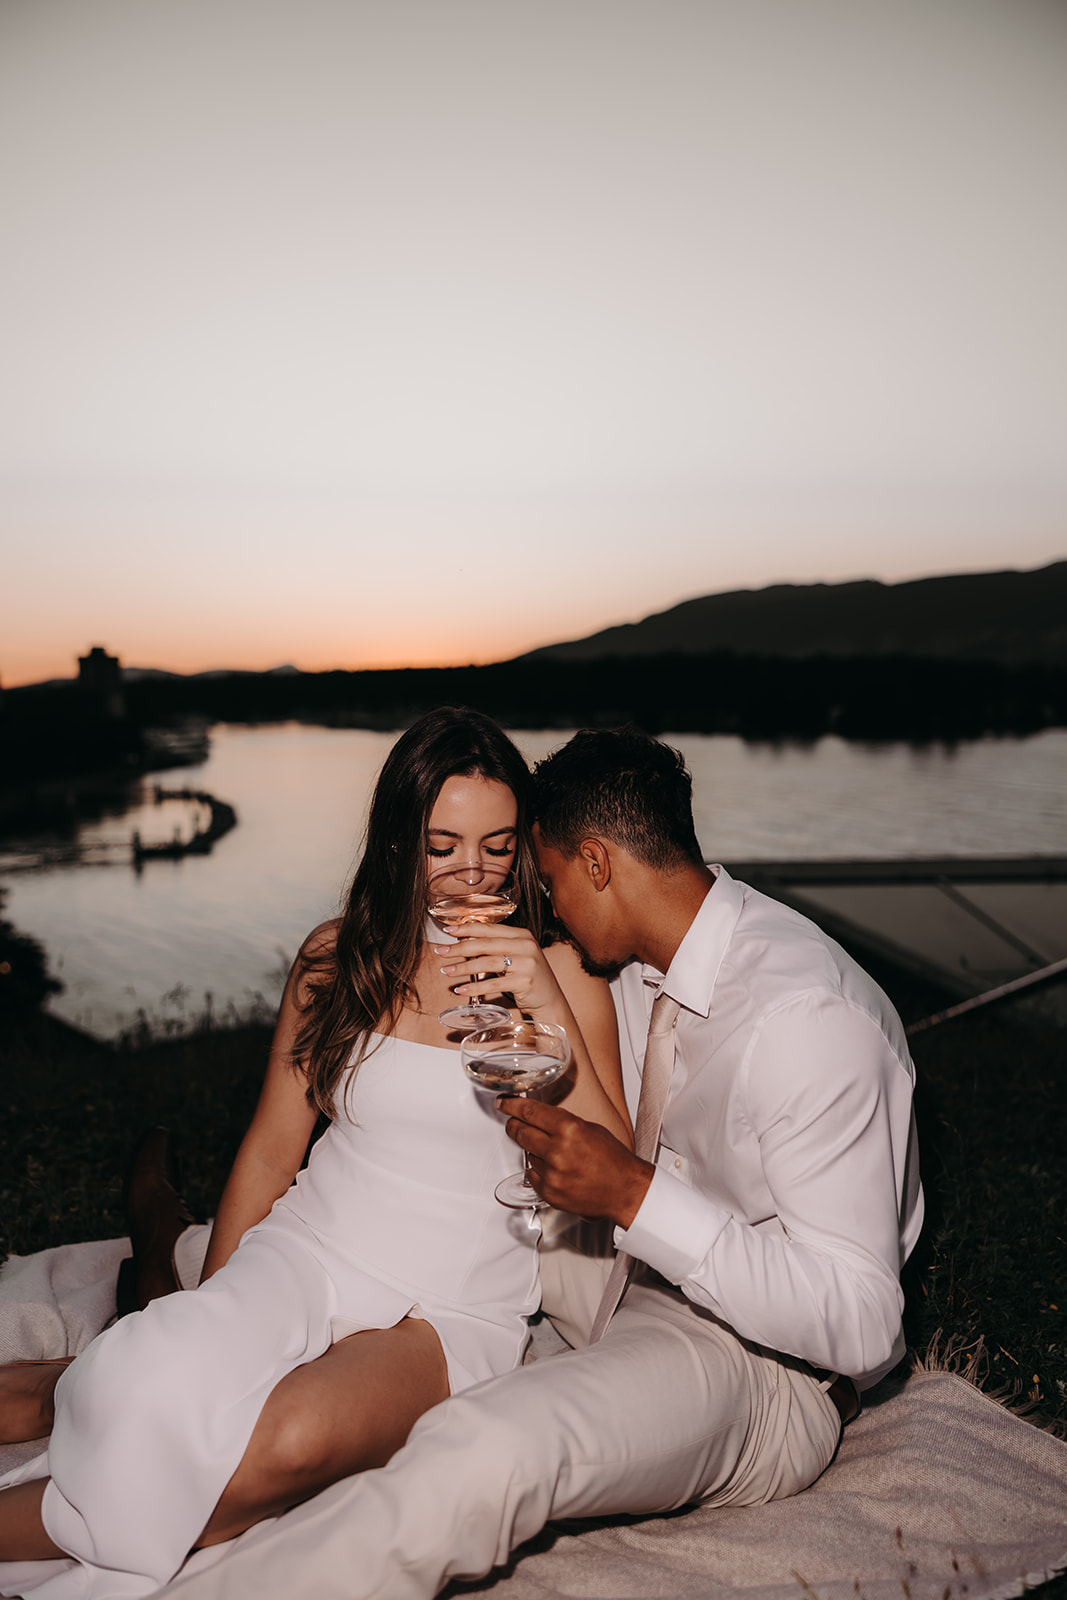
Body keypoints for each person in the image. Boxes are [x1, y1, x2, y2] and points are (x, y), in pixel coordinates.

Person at [152, 723, 924, 1600]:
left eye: (545, 879)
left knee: (484, 1445)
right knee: (260, 1275)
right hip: (601, 1276)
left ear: (595, 863)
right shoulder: (644, 950)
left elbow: (867, 1329)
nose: (532, 902)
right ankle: (161, 1271)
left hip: (757, 1359)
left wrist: (637, 1195)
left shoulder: (804, 1024)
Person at [0, 708, 629, 1600]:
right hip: (310, 1247)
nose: (471, 873)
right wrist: (205, 1316)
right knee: (147, 1378)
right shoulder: (340, 959)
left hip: (447, 1304)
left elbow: (617, 1171)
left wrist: (547, 1002)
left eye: (496, 846)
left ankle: (55, 1457)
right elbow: (270, 1149)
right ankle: (102, 1357)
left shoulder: (559, 971)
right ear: (395, 841)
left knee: (279, 1448)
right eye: (441, 844)